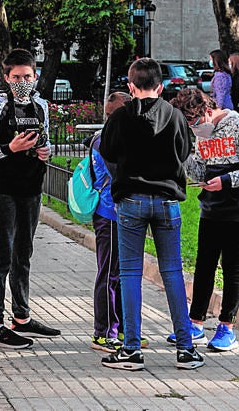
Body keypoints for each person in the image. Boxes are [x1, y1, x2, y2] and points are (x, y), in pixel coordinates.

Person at [98, 57, 205, 371]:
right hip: (167, 200)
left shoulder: (120, 117)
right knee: (172, 272)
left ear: (131, 87)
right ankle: (185, 349)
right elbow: (185, 152)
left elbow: (107, 153)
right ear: (160, 86)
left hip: (130, 199)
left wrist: (123, 177)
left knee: (130, 274)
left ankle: (131, 349)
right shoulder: (174, 116)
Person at [170, 88, 239, 352]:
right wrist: (184, 157)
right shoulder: (202, 135)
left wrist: (226, 181)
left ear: (206, 111)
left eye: (193, 122)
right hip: (211, 206)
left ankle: (227, 326)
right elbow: (200, 168)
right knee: (204, 264)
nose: (193, 128)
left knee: (232, 266)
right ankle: (196, 323)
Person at [0, 48, 58, 349]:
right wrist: (9, 148)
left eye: (28, 76)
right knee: (2, 252)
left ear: (35, 76)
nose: (23, 81)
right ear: (6, 77)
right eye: (16, 77)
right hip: (5, 188)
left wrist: (45, 152)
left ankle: (21, 315)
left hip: (32, 186)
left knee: (24, 251)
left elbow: (46, 139)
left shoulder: (41, 105)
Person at [88, 91, 131, 352]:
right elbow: (120, 174)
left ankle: (124, 330)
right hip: (110, 214)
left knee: (122, 274)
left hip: (121, 214)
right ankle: (104, 332)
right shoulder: (106, 140)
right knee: (110, 274)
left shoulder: (108, 137)